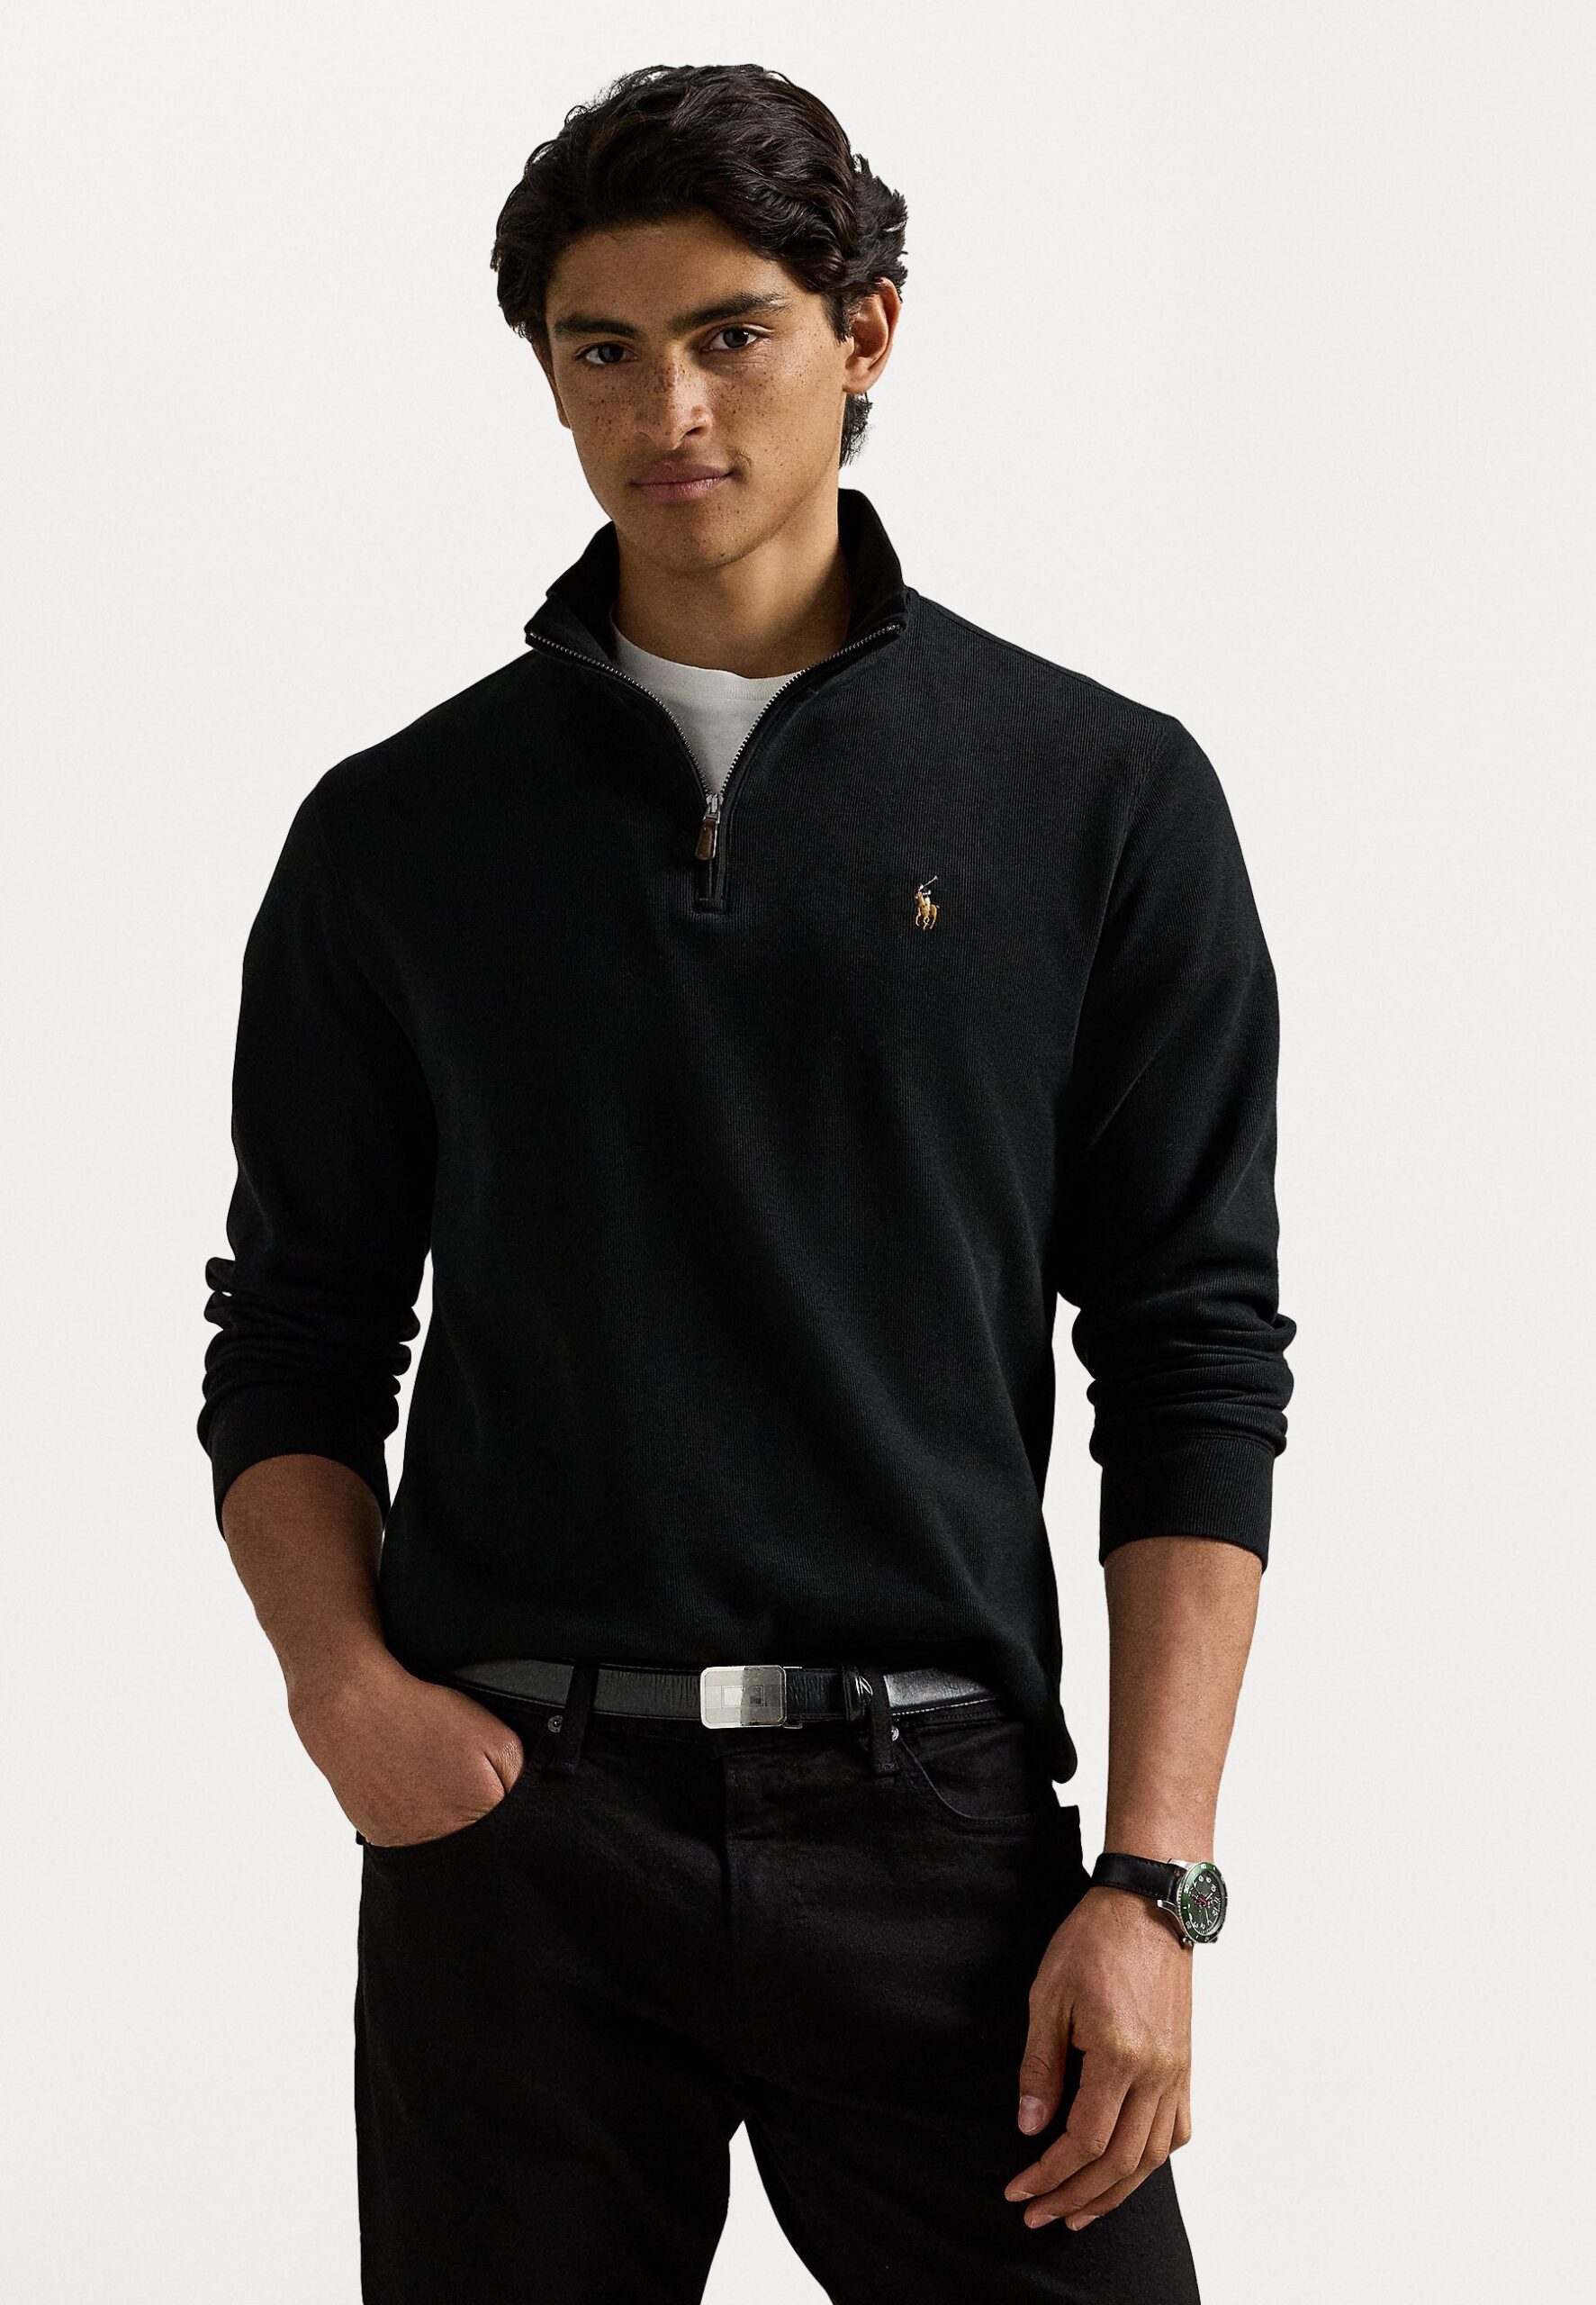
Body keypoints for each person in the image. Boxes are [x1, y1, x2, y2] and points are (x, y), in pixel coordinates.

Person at [199, 60, 1294, 2304]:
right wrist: (344, 1695)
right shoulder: (400, 832)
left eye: (730, 335)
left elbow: (1190, 1346)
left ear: (861, 332)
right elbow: (294, 1333)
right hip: (518, 1840)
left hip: (940, 1838)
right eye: (601, 349)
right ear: (545, 373)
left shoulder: (1094, 795)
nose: (666, 408)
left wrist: (1150, 1877)